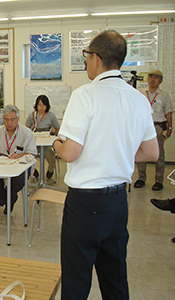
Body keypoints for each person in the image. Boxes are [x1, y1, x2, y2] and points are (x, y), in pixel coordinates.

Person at [53, 30, 159, 300]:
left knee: (76, 281)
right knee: (115, 280)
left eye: (87, 56)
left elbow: (71, 153)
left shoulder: (84, 95)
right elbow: (151, 152)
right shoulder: (138, 99)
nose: (87, 61)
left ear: (96, 58)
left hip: (85, 206)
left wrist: (57, 143)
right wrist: (117, 152)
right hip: (117, 204)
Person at [0, 105, 37, 214]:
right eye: (6, 119)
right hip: (1, 164)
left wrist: (20, 155)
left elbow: (31, 153)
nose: (9, 122)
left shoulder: (26, 133)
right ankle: (9, 199)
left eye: (12, 119)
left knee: (16, 181)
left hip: (21, 166)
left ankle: (9, 199)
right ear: (3, 119)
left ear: (18, 119)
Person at [134, 69, 173, 191]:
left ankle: (158, 180)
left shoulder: (164, 95)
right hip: (142, 126)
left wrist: (170, 127)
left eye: (156, 77)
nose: (153, 79)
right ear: (147, 79)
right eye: (151, 77)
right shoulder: (140, 93)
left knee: (159, 154)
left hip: (158, 126)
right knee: (141, 152)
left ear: (160, 81)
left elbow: (168, 112)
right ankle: (141, 178)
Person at [25, 94, 60, 179]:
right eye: (39, 104)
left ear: (47, 106)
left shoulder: (51, 115)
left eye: (43, 105)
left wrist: (53, 136)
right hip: (35, 142)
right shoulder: (32, 115)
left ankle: (51, 169)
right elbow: (27, 129)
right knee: (29, 156)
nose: (41, 107)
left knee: (50, 156)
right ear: (36, 105)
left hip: (47, 142)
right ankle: (33, 170)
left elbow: (57, 128)